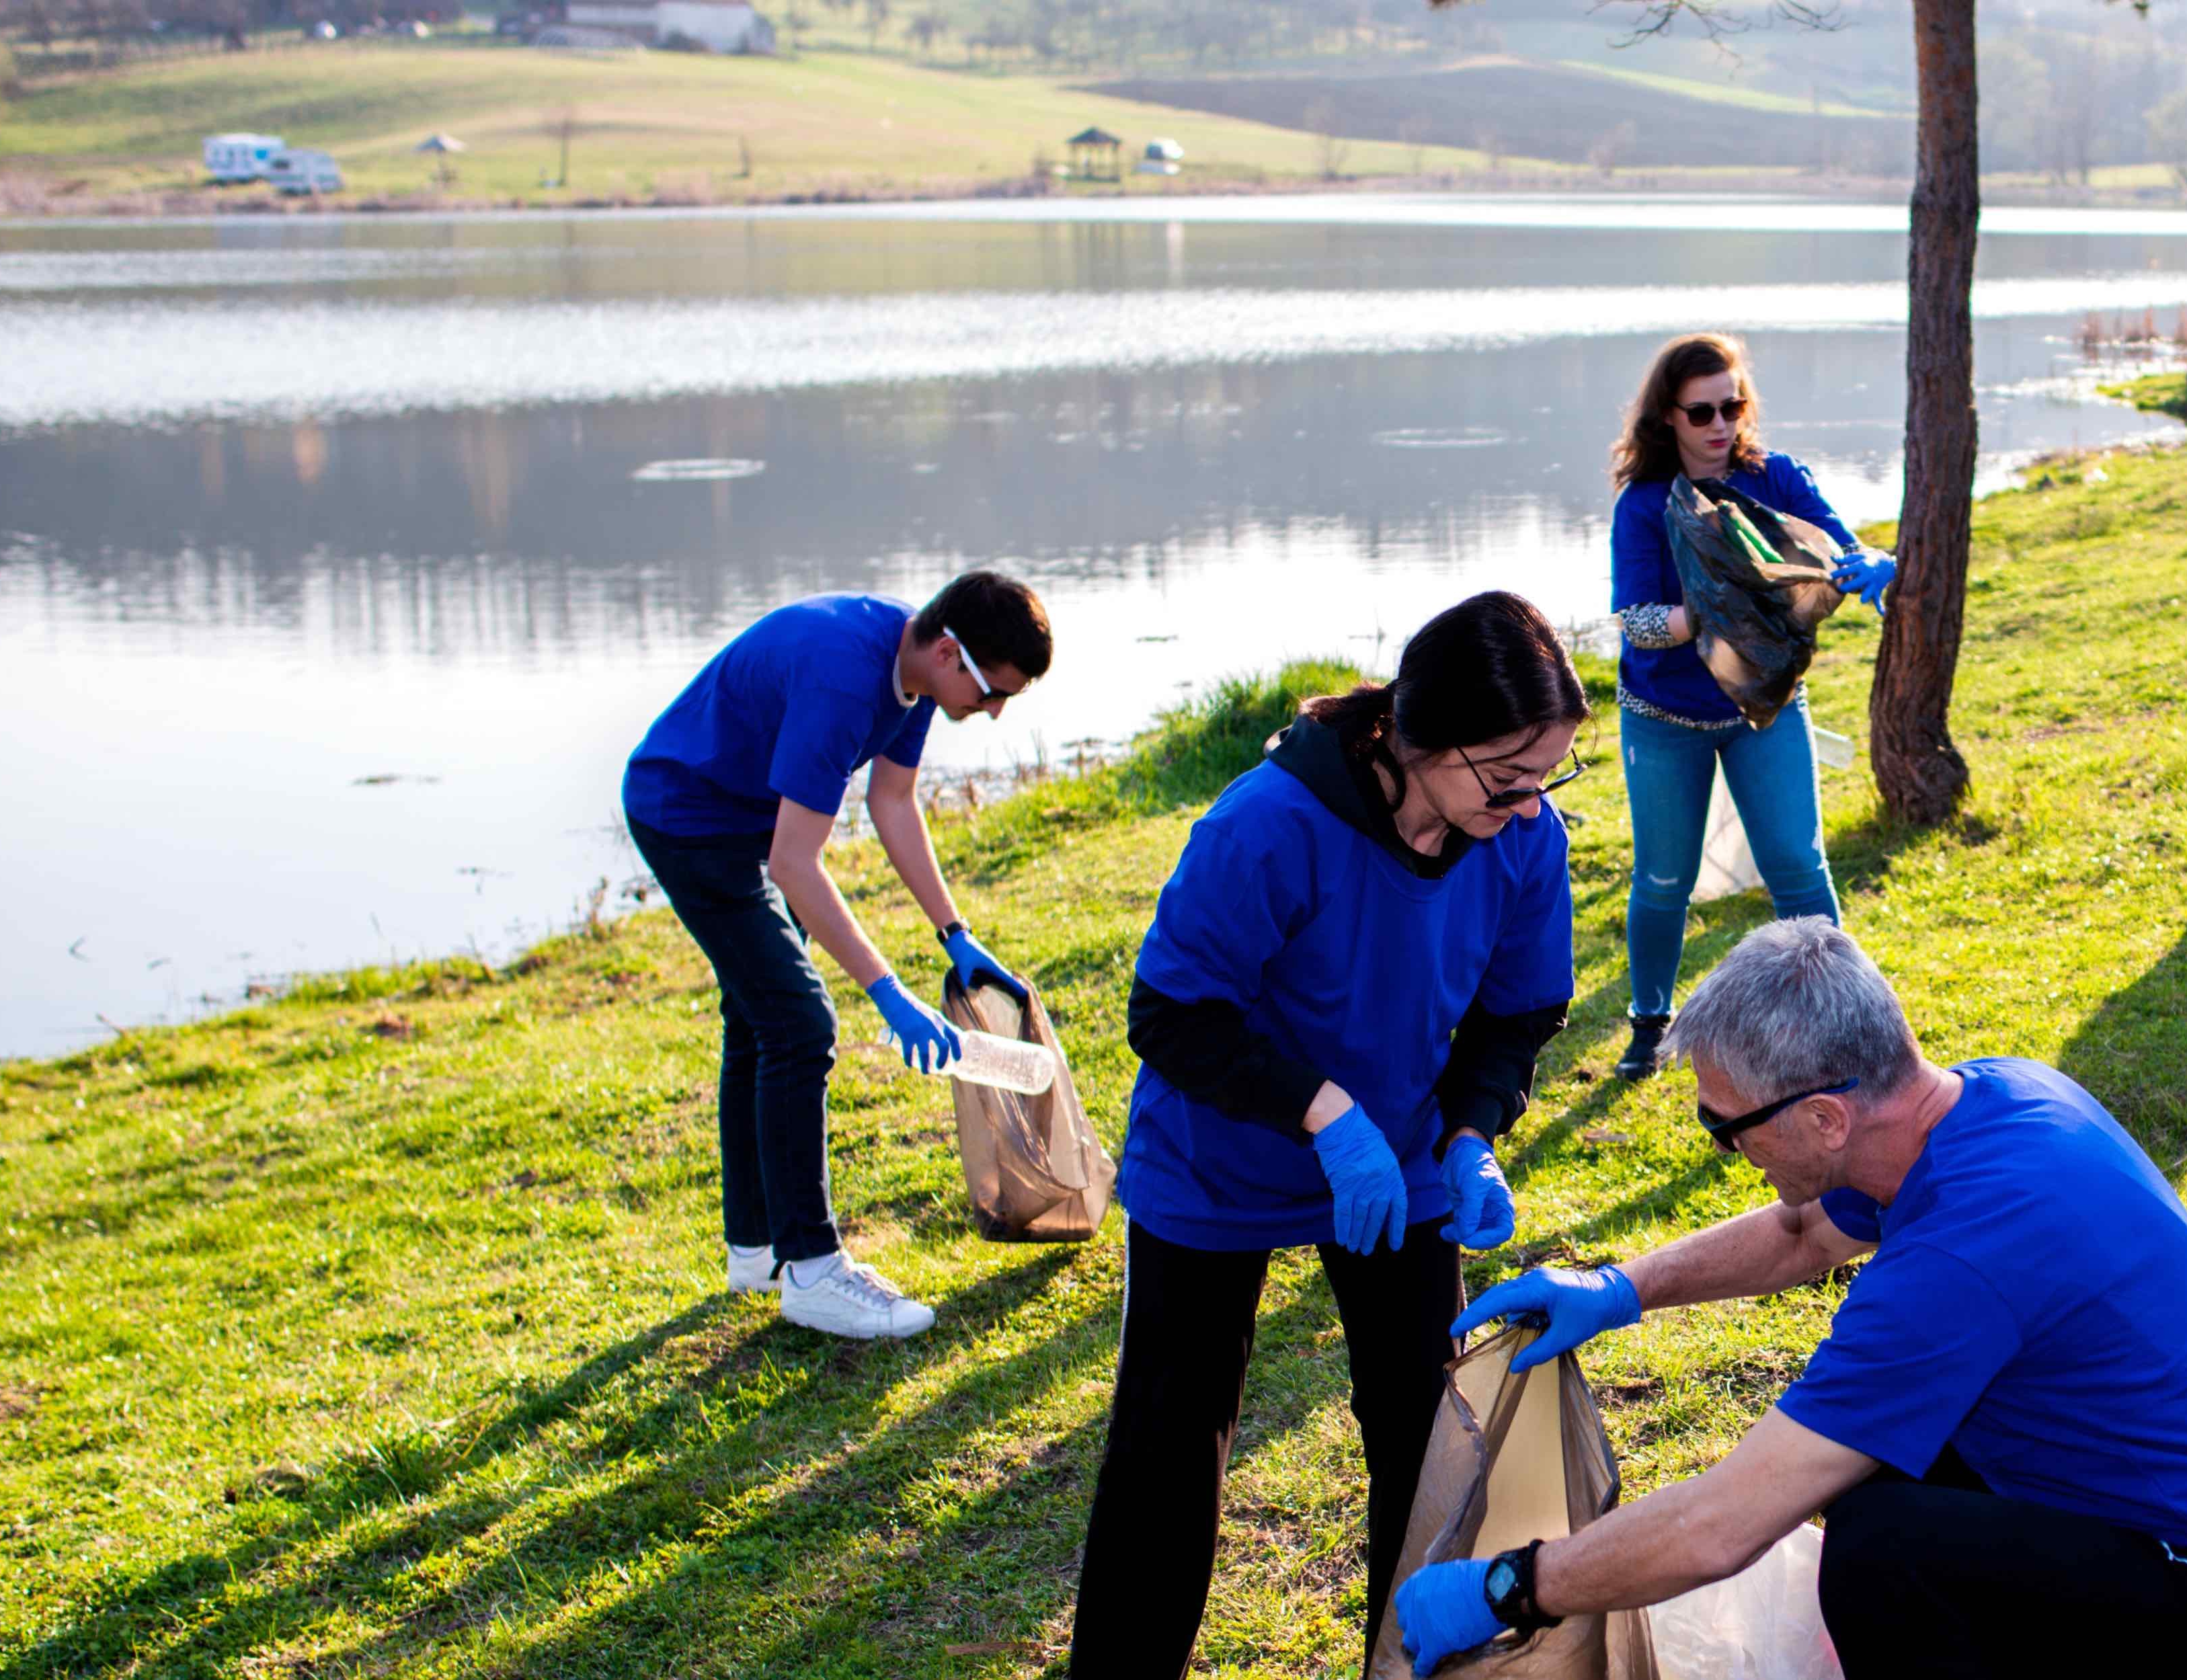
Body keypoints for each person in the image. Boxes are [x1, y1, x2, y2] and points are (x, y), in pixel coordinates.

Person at [1388, 920, 2187, 1680]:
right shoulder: (1990, 1099)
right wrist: (1619, 1285)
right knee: (1877, 1487)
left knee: (1884, 1559)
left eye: (1726, 1128)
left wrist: (1511, 1585)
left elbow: (1720, 1523)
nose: (1725, 1149)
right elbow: (1809, 1233)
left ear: (1824, 1114)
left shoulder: (1956, 1262)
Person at [1070, 590, 1585, 1680]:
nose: (1532, 802)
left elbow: (1516, 1010)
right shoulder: (1271, 822)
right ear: (1423, 737)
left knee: (1424, 1434)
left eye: (1550, 774)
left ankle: (1405, 1665)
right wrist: (1324, 1108)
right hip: (1219, 1160)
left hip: (1399, 1165)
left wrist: (1471, 1130)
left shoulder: (1523, 839)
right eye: (1508, 774)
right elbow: (1171, 1012)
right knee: (1170, 1450)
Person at [622, 571, 1049, 1342]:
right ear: (951, 651)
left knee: (762, 1021)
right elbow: (795, 863)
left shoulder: (911, 674)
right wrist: (886, 990)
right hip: (687, 818)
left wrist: (955, 935)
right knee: (798, 1024)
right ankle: (813, 1271)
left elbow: (892, 803)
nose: (992, 713)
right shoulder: (845, 683)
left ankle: (756, 1255)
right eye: (994, 693)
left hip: (741, 818)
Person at [1604, 333, 1896, 1079]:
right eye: (1700, 411)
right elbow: (1637, 619)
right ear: (1666, 416)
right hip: (1664, 715)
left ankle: (1846, 1024)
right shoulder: (1643, 506)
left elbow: (1839, 548)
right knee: (1663, 879)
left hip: (1764, 708)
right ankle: (1649, 1022)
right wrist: (1715, 608)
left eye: (1732, 405)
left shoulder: (1778, 477)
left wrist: (1870, 564)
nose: (1719, 424)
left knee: (1799, 865)